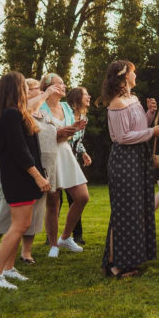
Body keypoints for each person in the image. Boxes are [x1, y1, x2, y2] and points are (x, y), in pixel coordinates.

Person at [0, 72, 51, 290]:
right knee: (19, 226)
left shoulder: (15, 113)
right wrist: (38, 176)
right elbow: (19, 152)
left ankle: (8, 269)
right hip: (18, 178)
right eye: (24, 86)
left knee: (22, 225)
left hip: (23, 177)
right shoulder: (10, 115)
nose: (28, 90)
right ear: (17, 89)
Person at [99, 59, 159, 278]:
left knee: (137, 209)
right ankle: (113, 264)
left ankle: (130, 259)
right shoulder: (117, 103)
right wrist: (151, 132)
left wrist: (149, 116)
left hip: (138, 157)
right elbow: (122, 137)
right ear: (124, 75)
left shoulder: (133, 99)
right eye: (133, 72)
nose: (136, 76)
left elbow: (137, 128)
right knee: (124, 211)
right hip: (124, 159)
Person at [39, 73, 89, 258]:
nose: (64, 85)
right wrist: (58, 134)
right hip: (49, 154)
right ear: (48, 87)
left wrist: (74, 128)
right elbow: (38, 135)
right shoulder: (40, 107)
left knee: (82, 197)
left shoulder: (67, 107)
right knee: (53, 202)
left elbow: (71, 135)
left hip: (66, 153)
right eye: (60, 83)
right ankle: (53, 244)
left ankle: (66, 237)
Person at [64, 86, 93, 246]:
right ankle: (52, 237)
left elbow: (78, 140)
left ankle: (77, 235)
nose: (89, 96)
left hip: (73, 160)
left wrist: (84, 153)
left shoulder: (84, 117)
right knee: (56, 200)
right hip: (60, 157)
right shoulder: (65, 114)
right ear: (76, 98)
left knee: (76, 198)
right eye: (85, 94)